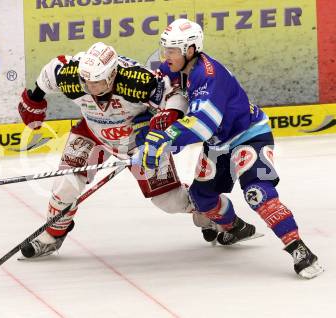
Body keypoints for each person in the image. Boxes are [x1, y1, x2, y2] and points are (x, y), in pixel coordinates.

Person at [136, 19, 324, 279]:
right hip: (218, 143)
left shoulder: (208, 76)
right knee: (201, 198)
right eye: (164, 49)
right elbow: (156, 93)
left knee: (258, 193)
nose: (165, 56)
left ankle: (298, 248)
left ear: (191, 50)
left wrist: (166, 138)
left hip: (249, 135)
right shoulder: (176, 68)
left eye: (172, 50)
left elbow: (202, 125)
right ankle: (235, 228)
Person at [16, 42, 220, 259]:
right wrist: (34, 98)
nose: (89, 88)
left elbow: (174, 94)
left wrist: (166, 117)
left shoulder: (137, 81)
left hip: (137, 141)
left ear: (112, 75)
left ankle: (209, 213)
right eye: (85, 81)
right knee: (65, 184)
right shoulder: (72, 76)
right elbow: (51, 70)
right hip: (93, 133)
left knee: (169, 202)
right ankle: (52, 235)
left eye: (96, 82)